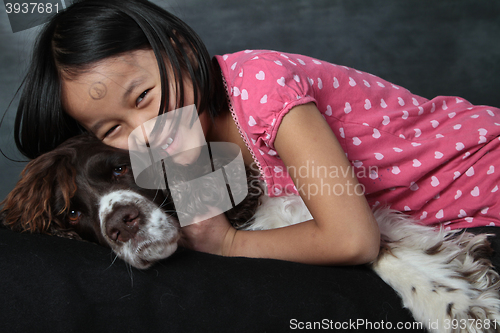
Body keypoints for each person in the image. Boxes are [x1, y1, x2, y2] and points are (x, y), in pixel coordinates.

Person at [10, 0, 500, 266]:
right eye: (113, 128)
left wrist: (229, 245)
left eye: (142, 97)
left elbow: (353, 241)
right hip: (441, 225)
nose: (147, 131)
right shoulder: (183, 145)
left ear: (178, 49)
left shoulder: (261, 84)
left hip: (483, 168)